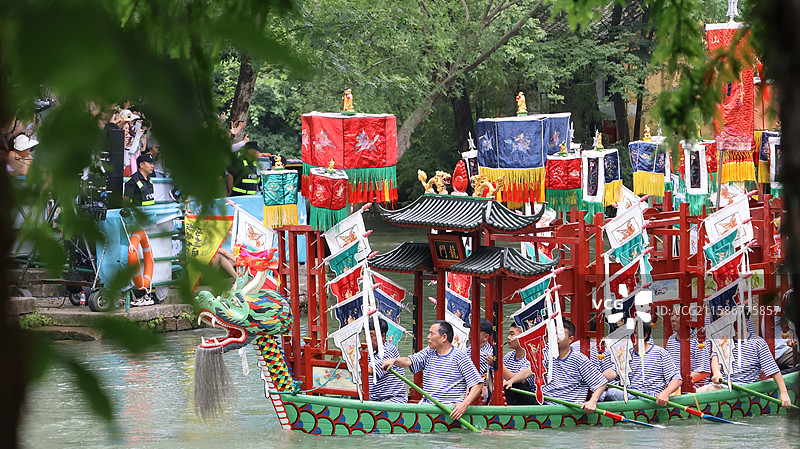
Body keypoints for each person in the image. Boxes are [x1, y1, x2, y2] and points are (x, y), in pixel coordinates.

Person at [381, 320, 483, 419]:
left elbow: (477, 384)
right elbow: (408, 361)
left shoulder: (459, 357)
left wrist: (464, 405)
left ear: (444, 337)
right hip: (427, 407)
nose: (428, 337)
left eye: (432, 333)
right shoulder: (429, 352)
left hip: (448, 411)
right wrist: (394, 361)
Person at [504, 320, 606, 412]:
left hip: (563, 407)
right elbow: (529, 370)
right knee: (512, 386)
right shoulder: (548, 354)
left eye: (560, 334)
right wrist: (511, 381)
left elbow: (601, 382)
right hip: (543, 403)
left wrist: (592, 401)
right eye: (554, 334)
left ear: (570, 339)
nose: (555, 337)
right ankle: (509, 414)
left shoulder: (579, 359)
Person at [699, 320, 793, 407]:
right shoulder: (724, 341)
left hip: (744, 388)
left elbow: (773, 370)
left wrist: (784, 392)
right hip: (725, 385)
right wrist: (716, 373)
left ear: (746, 321)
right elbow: (716, 359)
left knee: (711, 389)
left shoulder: (758, 342)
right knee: (696, 391)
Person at [602, 322, 681, 405]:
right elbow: (614, 372)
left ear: (644, 336)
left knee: (612, 393)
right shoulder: (627, 354)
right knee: (601, 395)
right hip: (631, 395)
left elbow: (677, 379)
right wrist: (597, 379)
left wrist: (665, 394)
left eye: (633, 334)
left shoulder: (660, 353)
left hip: (650, 398)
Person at [665, 305, 711, 386]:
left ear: (689, 318)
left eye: (678, 316)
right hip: (674, 385)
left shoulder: (699, 340)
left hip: (694, 386)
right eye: (672, 315)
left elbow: (704, 372)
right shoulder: (671, 339)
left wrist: (679, 383)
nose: (673, 319)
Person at [366, 318, 408, 403]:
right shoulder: (372, 352)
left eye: (370, 335)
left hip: (393, 400)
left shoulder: (388, 350)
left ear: (382, 336)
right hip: (376, 399)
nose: (366, 339)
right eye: (365, 334)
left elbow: (369, 369)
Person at [500, 324, 537, 405]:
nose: (508, 337)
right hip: (509, 396)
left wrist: (498, 364)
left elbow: (521, 381)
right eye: (509, 334)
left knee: (514, 385)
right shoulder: (508, 356)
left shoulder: (532, 356)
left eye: (512, 334)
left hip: (527, 399)